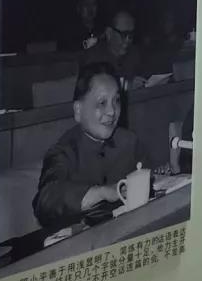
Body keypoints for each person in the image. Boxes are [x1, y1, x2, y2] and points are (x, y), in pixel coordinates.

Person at [32, 65, 147, 231]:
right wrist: (101, 192)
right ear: (78, 111)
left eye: (116, 100)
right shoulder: (63, 152)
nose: (112, 111)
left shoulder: (129, 141)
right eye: (102, 103)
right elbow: (45, 201)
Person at [87, 8, 147, 90]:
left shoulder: (135, 54)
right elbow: (91, 91)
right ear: (109, 33)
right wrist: (126, 86)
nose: (128, 40)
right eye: (123, 34)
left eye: (131, 35)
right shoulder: (94, 57)